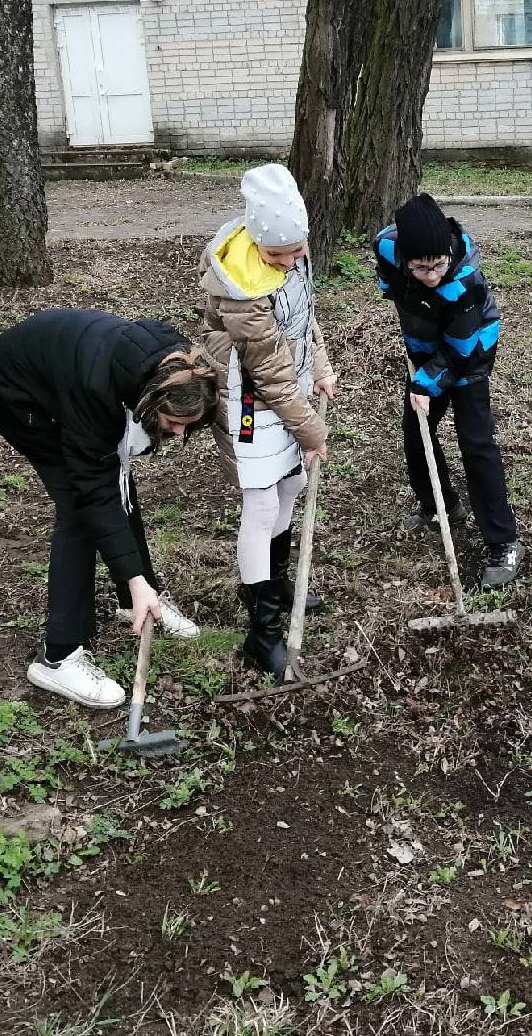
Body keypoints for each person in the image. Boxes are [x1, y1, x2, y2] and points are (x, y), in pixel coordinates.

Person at [0, 309, 215, 708]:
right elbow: (94, 490)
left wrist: (137, 582)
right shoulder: (96, 393)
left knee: (117, 483)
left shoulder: (179, 364)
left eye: (187, 425)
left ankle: (138, 600)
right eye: (173, 423)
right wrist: (134, 575)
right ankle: (58, 656)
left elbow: (112, 480)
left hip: (61, 369)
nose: (179, 434)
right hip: (20, 394)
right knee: (79, 509)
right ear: (149, 399)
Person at [202, 164, 336, 681]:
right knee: (260, 502)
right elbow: (270, 372)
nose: (289, 262)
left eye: (296, 251)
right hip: (252, 401)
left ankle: (275, 582)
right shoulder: (240, 289)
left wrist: (320, 364)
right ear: (256, 241)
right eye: (277, 255)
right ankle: (262, 632)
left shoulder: (294, 253)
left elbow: (306, 317)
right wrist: (311, 430)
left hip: (292, 387)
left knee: (288, 488)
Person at [373, 194, 526, 588]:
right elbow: (388, 276)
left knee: (476, 443)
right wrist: (396, 288)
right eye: (421, 267)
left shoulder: (465, 281)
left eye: (438, 264)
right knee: (416, 432)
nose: (431, 275)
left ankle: (503, 542)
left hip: (470, 351)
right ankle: (441, 507)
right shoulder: (388, 247)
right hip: (423, 350)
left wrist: (425, 383)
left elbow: (460, 349)